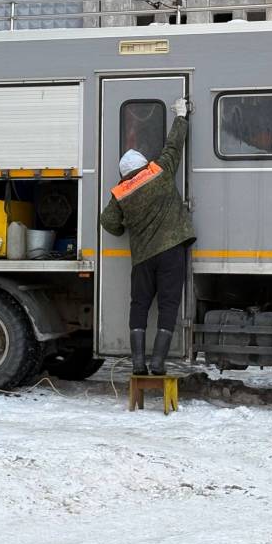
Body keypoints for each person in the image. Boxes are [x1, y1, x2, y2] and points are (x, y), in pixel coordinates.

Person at [100, 98, 196, 376]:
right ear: (144, 164)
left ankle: (139, 362)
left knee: (139, 304)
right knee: (168, 304)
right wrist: (181, 115)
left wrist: (124, 227)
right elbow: (174, 145)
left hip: (143, 258)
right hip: (171, 252)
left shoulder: (121, 193)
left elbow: (108, 222)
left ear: (123, 174)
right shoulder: (160, 173)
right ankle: (158, 363)